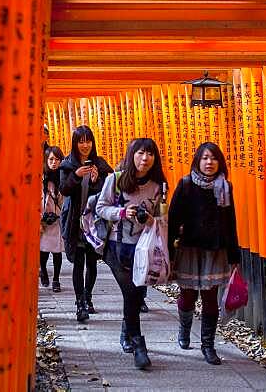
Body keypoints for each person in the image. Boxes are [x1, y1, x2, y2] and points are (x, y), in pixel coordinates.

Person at [96, 137, 167, 370]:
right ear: (131, 154)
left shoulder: (158, 186)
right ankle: (138, 345)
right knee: (131, 293)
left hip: (142, 248)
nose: (144, 159)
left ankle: (127, 333)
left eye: (149, 154)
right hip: (117, 247)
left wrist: (150, 219)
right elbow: (101, 208)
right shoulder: (115, 180)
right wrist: (122, 213)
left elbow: (161, 218)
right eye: (140, 153)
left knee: (136, 295)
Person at [167, 142, 239, 366]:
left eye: (214, 158)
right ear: (198, 161)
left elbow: (231, 223)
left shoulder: (225, 187)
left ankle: (208, 345)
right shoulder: (186, 185)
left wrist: (234, 256)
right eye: (205, 158)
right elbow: (173, 220)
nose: (209, 163)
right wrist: (169, 252)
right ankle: (185, 330)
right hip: (189, 248)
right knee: (188, 296)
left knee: (210, 298)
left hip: (215, 250)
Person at [60, 125, 112, 323]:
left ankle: (88, 296)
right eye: (80, 141)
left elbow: (105, 194)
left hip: (93, 222)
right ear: (75, 143)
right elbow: (63, 190)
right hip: (75, 221)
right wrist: (76, 175)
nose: (84, 145)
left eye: (88, 140)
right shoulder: (68, 164)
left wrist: (95, 181)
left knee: (92, 262)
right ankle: (79, 302)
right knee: (78, 263)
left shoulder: (100, 164)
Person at [39, 146, 65, 292]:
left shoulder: (62, 178)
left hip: (57, 220)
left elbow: (64, 200)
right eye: (51, 159)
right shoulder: (41, 178)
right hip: (43, 220)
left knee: (57, 252)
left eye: (57, 159)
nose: (54, 162)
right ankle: (43, 271)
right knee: (43, 251)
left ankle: (56, 279)